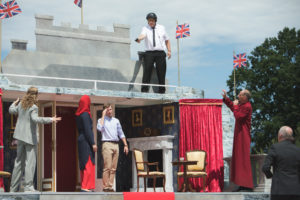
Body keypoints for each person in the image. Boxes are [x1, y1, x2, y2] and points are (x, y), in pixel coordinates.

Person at [9, 87, 61, 192]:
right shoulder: (33, 107)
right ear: (36, 95)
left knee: (18, 162)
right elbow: (35, 119)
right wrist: (51, 119)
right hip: (29, 139)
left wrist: (14, 103)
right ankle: (28, 187)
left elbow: (11, 110)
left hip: (20, 137)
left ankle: (13, 188)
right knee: (30, 163)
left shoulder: (20, 105)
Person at [222, 89, 253, 191]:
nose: (238, 96)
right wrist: (226, 99)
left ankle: (246, 184)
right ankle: (241, 183)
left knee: (243, 159)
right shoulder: (242, 105)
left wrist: (235, 106)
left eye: (240, 95)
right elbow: (233, 108)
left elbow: (238, 116)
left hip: (243, 136)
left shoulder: (247, 106)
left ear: (245, 97)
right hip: (239, 135)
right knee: (239, 159)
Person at [136, 12, 171, 94]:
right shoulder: (145, 28)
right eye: (149, 20)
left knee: (161, 72)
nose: (150, 22)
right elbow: (143, 35)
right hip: (149, 53)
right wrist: (139, 39)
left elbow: (167, 40)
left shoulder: (162, 28)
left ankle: (162, 91)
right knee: (147, 71)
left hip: (160, 53)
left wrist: (169, 51)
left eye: (152, 20)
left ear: (155, 20)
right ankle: (144, 90)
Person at [262, 126, 300, 200]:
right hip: (296, 190)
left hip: (279, 190)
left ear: (280, 136)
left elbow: (265, 167)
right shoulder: (298, 150)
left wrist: (271, 176)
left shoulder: (275, 148)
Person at [97, 104, 128, 192]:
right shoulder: (101, 120)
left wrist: (125, 145)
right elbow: (99, 128)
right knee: (107, 167)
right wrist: (103, 115)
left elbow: (121, 133)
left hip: (116, 144)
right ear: (105, 111)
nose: (110, 111)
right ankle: (105, 186)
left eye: (111, 109)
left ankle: (110, 186)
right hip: (107, 144)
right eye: (108, 110)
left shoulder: (116, 120)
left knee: (114, 168)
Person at [75, 95, 97, 192]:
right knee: (88, 161)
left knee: (83, 162)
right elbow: (88, 130)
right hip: (86, 140)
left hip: (81, 139)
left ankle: (85, 185)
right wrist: (93, 143)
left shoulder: (78, 115)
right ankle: (86, 186)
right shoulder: (85, 115)